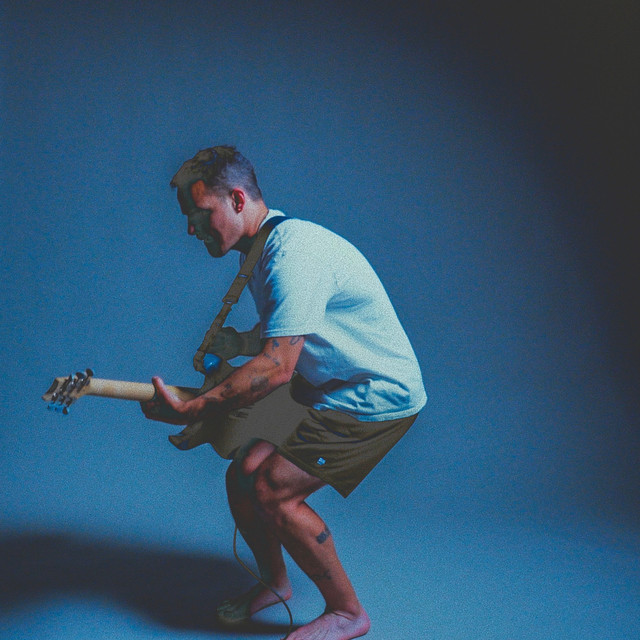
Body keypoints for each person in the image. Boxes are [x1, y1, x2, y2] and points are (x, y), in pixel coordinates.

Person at [141, 146, 427, 640]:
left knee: (273, 490)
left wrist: (195, 408)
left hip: (375, 396)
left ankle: (347, 613)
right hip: (326, 387)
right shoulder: (264, 249)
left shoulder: (292, 254)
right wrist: (242, 344)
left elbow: (276, 367)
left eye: (200, 212)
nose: (191, 228)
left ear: (236, 199)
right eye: (187, 216)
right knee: (243, 474)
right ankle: (275, 585)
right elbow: (295, 327)